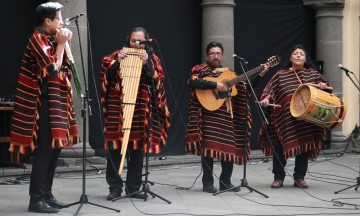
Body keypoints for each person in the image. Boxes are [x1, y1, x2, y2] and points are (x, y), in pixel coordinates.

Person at [10, 2, 80, 213]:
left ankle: (47, 195)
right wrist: (60, 45)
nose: (62, 22)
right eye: (59, 18)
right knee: (46, 149)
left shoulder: (50, 39)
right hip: (41, 104)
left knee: (56, 148)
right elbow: (52, 71)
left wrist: (64, 44)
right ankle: (36, 199)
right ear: (47, 21)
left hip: (57, 101)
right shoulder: (36, 40)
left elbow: (66, 69)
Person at [185, 41, 269, 193]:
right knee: (208, 150)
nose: (215, 56)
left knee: (228, 149)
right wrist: (215, 86)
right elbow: (192, 82)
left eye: (218, 53)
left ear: (222, 55)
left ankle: (225, 182)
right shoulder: (199, 69)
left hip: (226, 114)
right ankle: (207, 183)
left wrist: (261, 74)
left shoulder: (230, 73)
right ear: (207, 55)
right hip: (208, 114)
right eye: (212, 53)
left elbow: (246, 88)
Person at [100, 27, 170, 200]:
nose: (137, 45)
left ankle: (133, 188)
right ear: (128, 41)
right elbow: (105, 79)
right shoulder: (115, 55)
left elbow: (157, 84)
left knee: (137, 150)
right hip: (118, 107)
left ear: (147, 42)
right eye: (133, 41)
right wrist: (117, 62)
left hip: (140, 108)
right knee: (115, 149)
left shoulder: (152, 60)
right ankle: (115, 188)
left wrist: (146, 65)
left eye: (140, 41)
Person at [258, 44, 332, 189]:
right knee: (279, 148)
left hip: (305, 120)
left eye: (301, 54)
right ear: (290, 58)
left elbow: (326, 93)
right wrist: (266, 98)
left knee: (304, 147)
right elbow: (269, 90)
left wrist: (323, 86)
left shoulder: (313, 74)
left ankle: (300, 177)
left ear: (305, 59)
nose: (298, 55)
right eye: (296, 53)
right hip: (284, 120)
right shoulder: (280, 75)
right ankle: (278, 178)